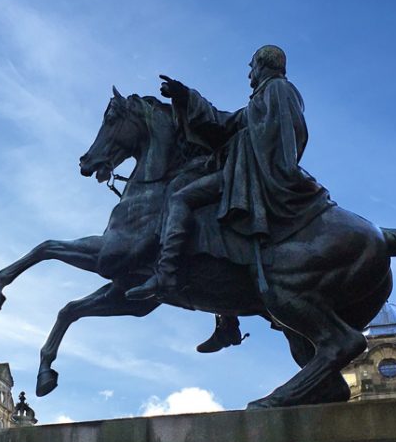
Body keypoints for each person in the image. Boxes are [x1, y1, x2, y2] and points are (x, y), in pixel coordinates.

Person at [126, 45, 333, 301]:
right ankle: (225, 317)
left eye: (251, 67)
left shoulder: (278, 89)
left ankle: (166, 274)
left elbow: (283, 135)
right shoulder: (263, 96)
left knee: (181, 197)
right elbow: (227, 123)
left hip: (254, 172)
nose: (249, 75)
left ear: (262, 64)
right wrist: (186, 97)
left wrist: (245, 149)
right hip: (245, 168)